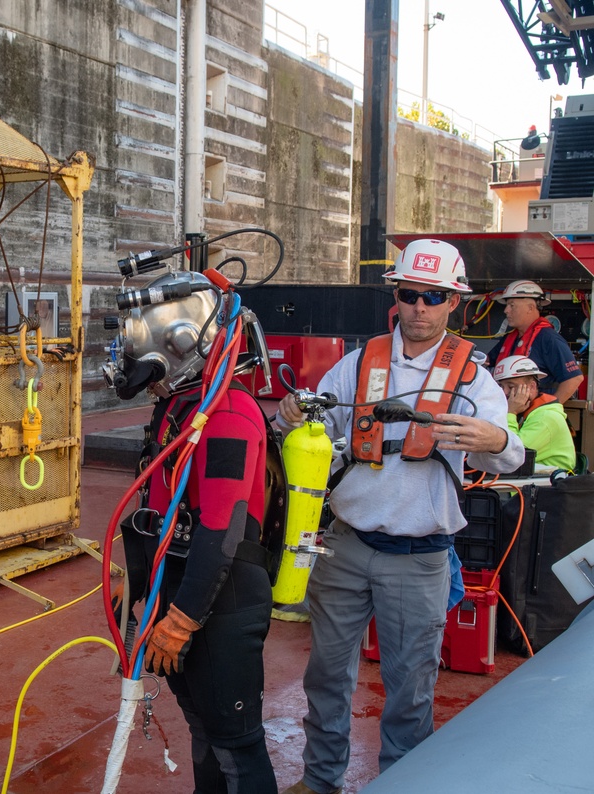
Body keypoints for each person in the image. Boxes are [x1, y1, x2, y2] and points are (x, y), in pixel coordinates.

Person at [276, 239, 525, 794]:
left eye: (432, 296)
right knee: (326, 676)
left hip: (420, 557)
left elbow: (506, 454)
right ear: (397, 294)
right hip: (345, 546)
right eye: (410, 293)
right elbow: (313, 429)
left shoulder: (474, 379)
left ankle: (401, 782)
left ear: (453, 302)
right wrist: (291, 414)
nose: (419, 307)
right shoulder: (358, 364)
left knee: (410, 687)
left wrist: (496, 437)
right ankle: (319, 781)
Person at [104, 269, 279, 792]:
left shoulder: (226, 413)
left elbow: (221, 530)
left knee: (235, 742)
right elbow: (159, 509)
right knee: (204, 732)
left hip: (220, 603)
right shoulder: (178, 409)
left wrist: (180, 620)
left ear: (180, 341)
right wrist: (131, 579)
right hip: (181, 588)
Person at [487, 279, 583, 404]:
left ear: (530, 308)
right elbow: (487, 362)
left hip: (533, 415)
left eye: (512, 305)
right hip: (508, 411)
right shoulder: (510, 339)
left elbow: (574, 378)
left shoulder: (548, 339)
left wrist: (548, 410)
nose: (506, 310)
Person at [493, 355, 576, 471]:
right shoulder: (525, 411)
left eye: (511, 386)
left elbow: (511, 454)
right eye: (500, 386)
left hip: (550, 484)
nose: (504, 392)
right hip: (527, 479)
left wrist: (511, 413)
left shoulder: (546, 417)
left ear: (532, 387)